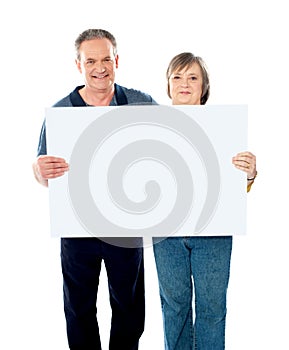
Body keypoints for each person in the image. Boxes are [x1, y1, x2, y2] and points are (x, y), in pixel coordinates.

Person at [32, 28, 157, 350]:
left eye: (105, 59)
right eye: (91, 61)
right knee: (79, 307)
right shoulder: (60, 112)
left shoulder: (140, 103)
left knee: (130, 307)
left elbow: (174, 141)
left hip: (126, 225)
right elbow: (44, 171)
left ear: (117, 60)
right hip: (77, 227)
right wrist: (37, 170)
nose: (99, 67)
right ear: (79, 65)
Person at [152, 52, 257, 350]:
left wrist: (249, 175)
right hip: (167, 233)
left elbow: (231, 188)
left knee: (212, 309)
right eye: (177, 77)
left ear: (204, 86)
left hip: (213, 233)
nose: (184, 83)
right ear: (169, 85)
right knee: (174, 307)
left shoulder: (224, 126)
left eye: (193, 77)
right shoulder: (151, 126)